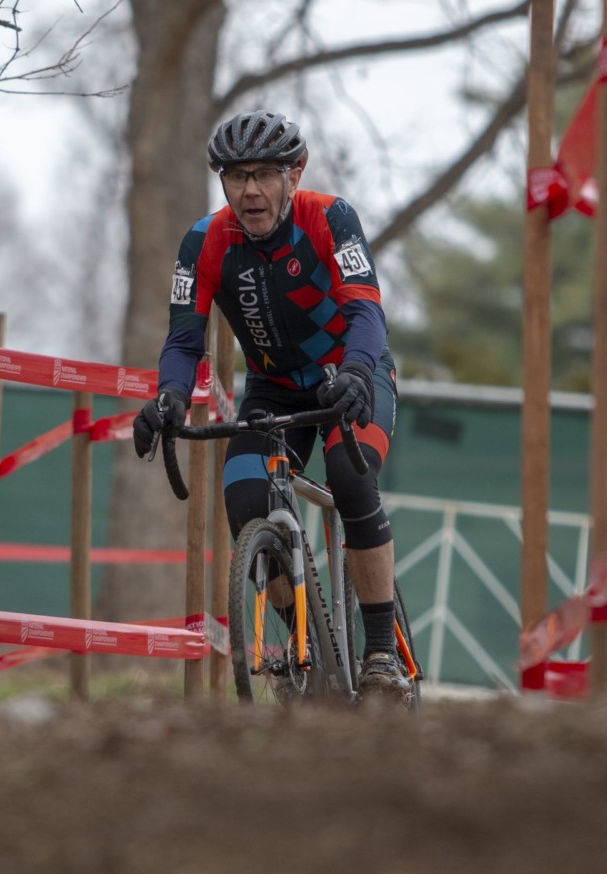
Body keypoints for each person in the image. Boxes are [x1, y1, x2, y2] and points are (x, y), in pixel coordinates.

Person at [132, 109, 410, 702]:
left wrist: (358, 371)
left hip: (352, 374)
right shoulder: (203, 241)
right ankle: (303, 651)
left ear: (295, 173)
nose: (250, 191)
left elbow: (366, 310)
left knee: (350, 478)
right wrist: (170, 396)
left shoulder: (330, 218)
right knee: (245, 500)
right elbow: (185, 341)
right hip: (274, 387)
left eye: (264, 174)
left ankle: (381, 652)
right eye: (235, 176)